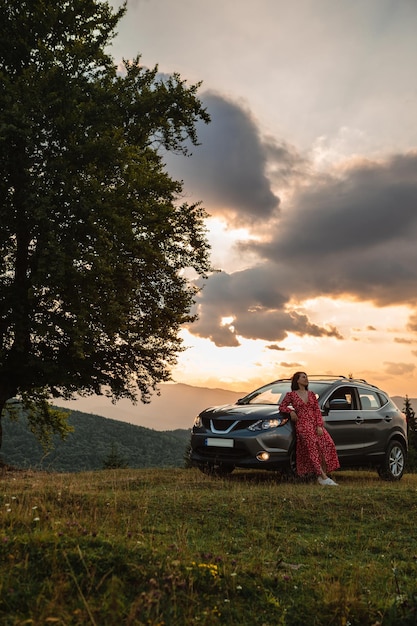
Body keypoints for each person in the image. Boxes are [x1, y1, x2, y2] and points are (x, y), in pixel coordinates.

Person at [279, 371, 340, 486]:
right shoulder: (291, 395)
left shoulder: (311, 394)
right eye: (303, 377)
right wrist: (291, 411)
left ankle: (323, 475)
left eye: (306, 377)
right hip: (302, 425)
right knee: (312, 449)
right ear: (297, 380)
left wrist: (319, 426)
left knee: (328, 444)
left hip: (314, 424)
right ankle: (323, 477)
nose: (306, 379)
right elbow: (282, 406)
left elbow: (317, 411)